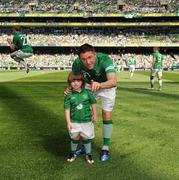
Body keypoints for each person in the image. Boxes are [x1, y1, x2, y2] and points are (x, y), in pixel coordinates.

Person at [66, 43, 117, 161]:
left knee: (106, 114)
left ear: (95, 54)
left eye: (90, 57)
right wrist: (69, 89)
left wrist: (100, 85)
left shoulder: (104, 59)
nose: (87, 62)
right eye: (84, 59)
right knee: (84, 111)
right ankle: (85, 144)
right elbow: (75, 80)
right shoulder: (77, 64)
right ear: (79, 58)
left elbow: (113, 81)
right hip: (89, 85)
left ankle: (105, 147)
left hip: (106, 86)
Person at [64, 71, 97, 164]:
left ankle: (88, 154)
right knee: (75, 138)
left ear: (82, 81)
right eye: (73, 81)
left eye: (78, 81)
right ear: (70, 82)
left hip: (86, 121)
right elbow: (67, 110)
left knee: (86, 138)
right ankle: (73, 153)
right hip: (74, 121)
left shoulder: (88, 93)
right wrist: (68, 122)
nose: (75, 83)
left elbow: (93, 103)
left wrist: (95, 115)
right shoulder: (68, 95)